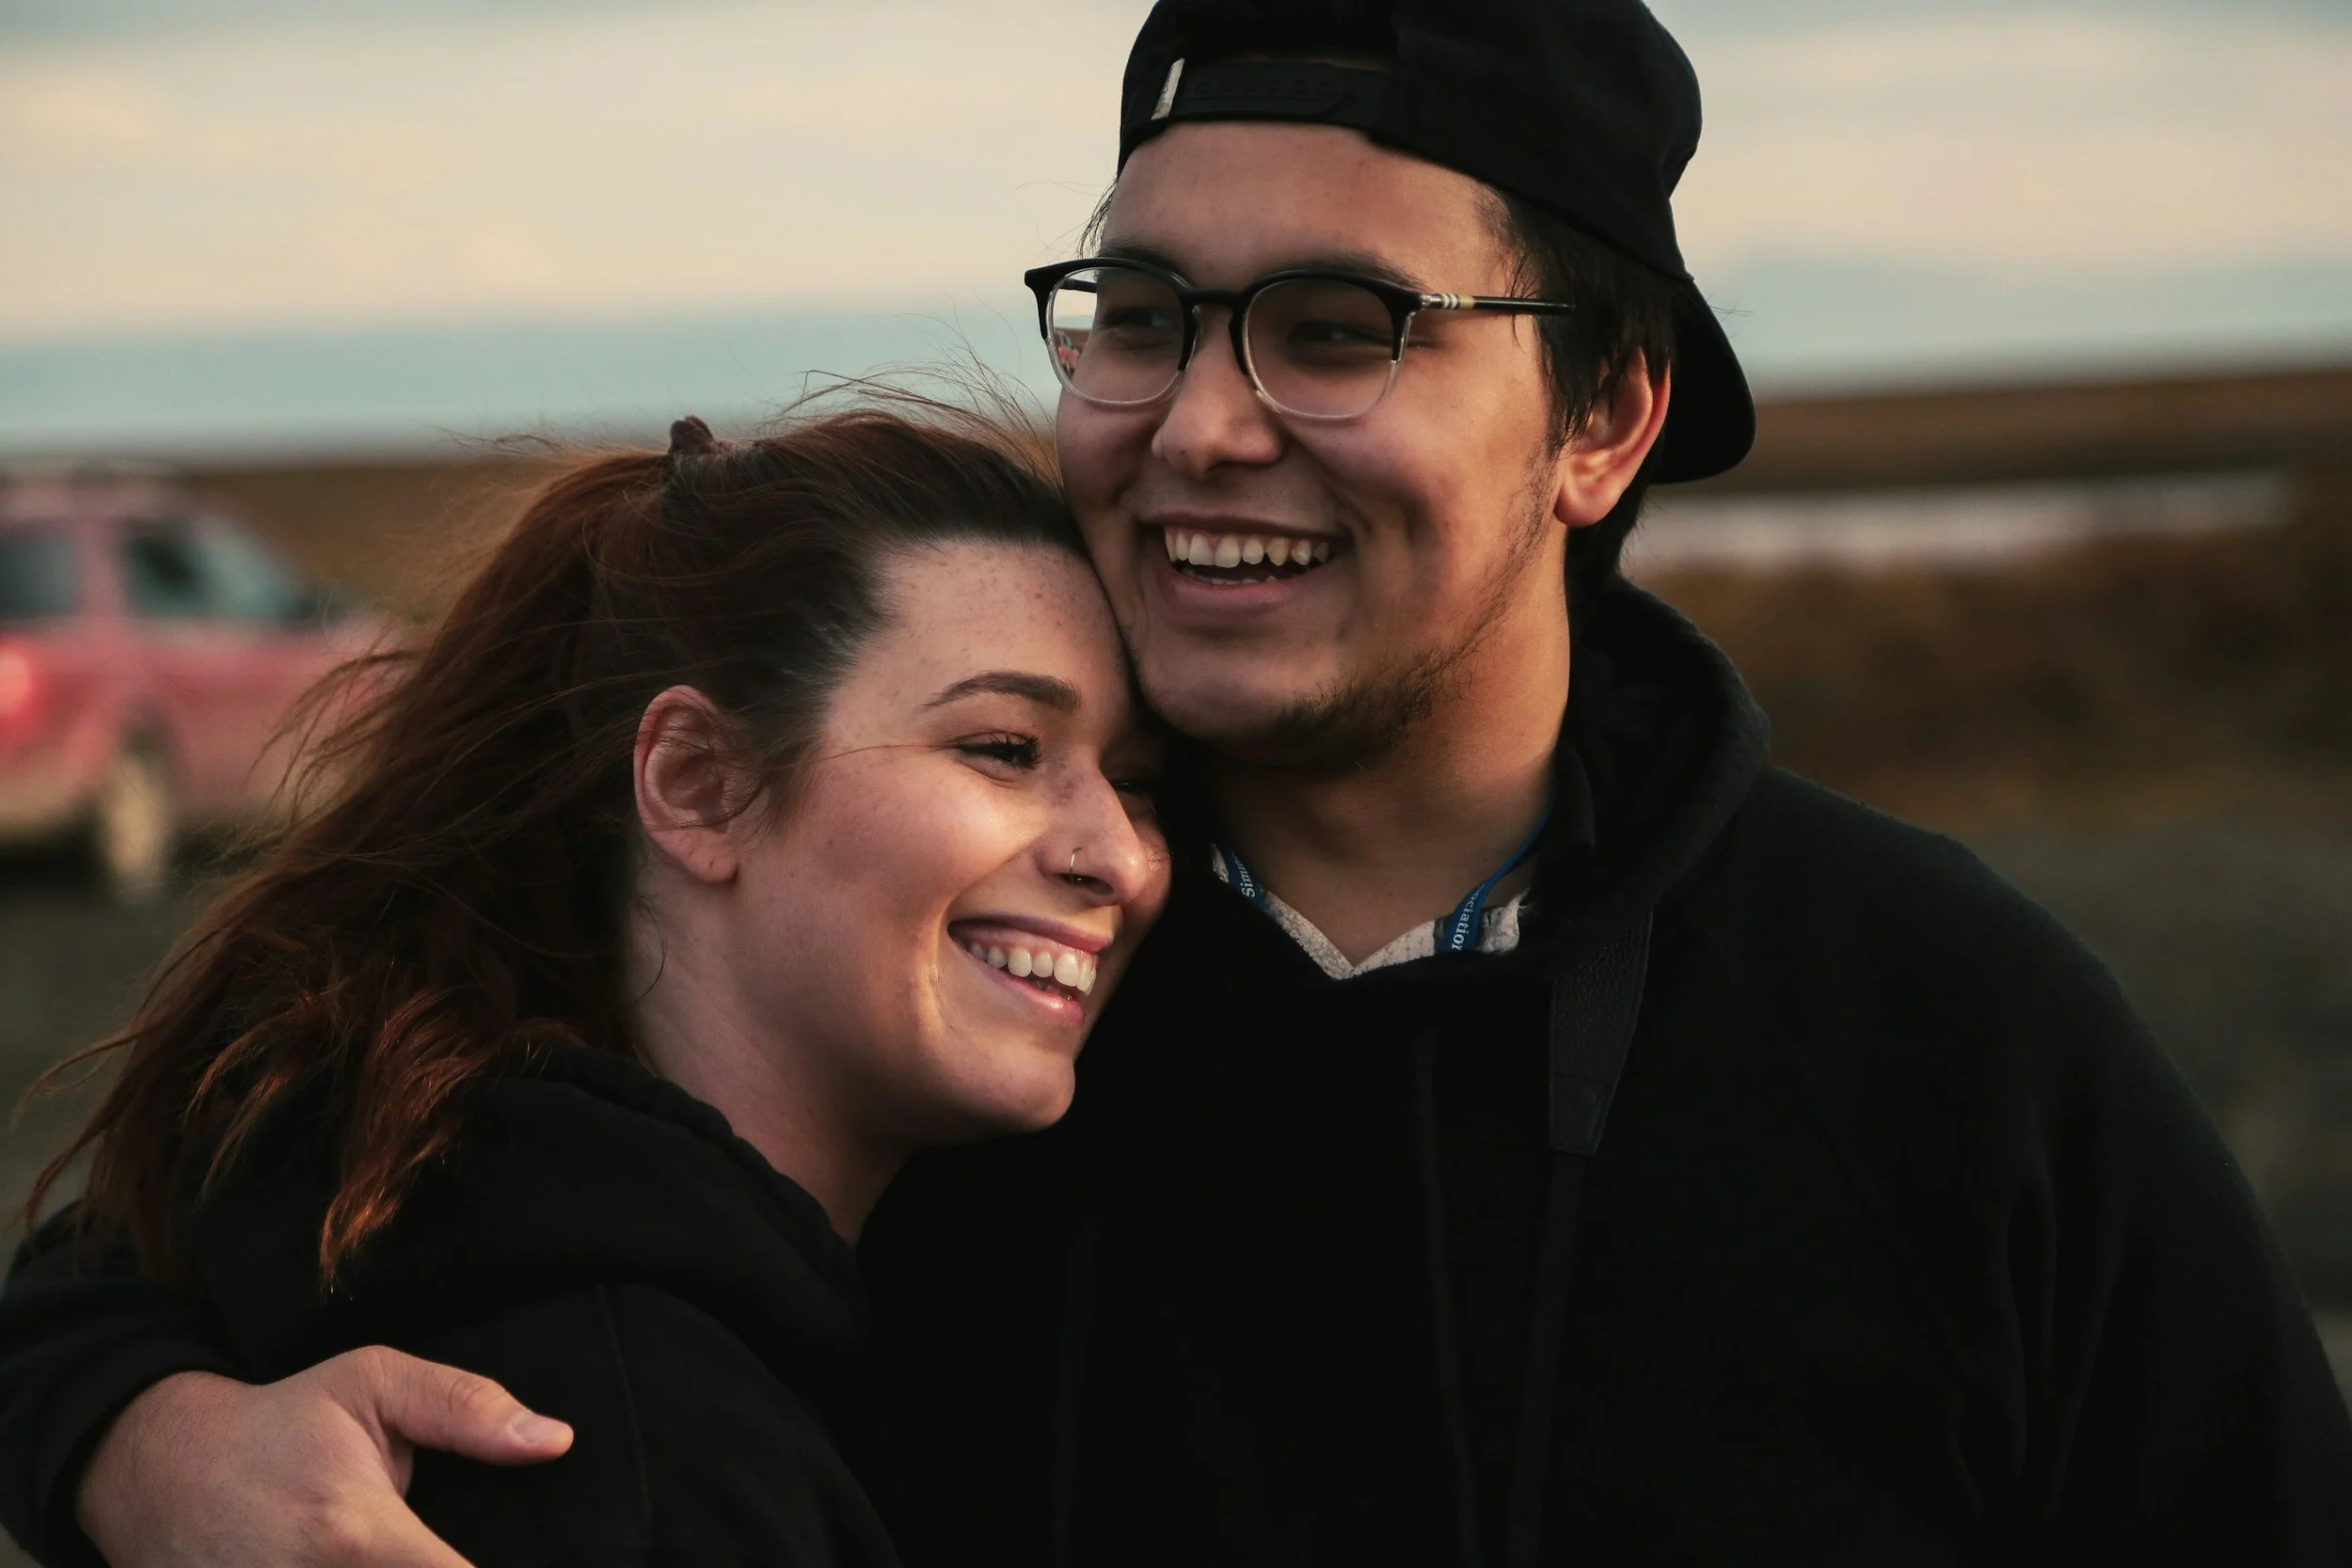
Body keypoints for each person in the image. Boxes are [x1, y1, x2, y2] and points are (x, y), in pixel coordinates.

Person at [8, 0, 2352, 1564]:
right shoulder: (936, 978)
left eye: (1341, 329)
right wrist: (141, 1440)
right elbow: (251, 1190)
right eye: (1141, 315)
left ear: (1605, 418)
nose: (1204, 417)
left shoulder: (1939, 1041)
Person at [0, 407, 1169, 1567]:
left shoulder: (405, 1175)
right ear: (699, 783)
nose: (1114, 853)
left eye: (1137, 782)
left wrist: (116, 1423)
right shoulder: (618, 1450)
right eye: (1005, 748)